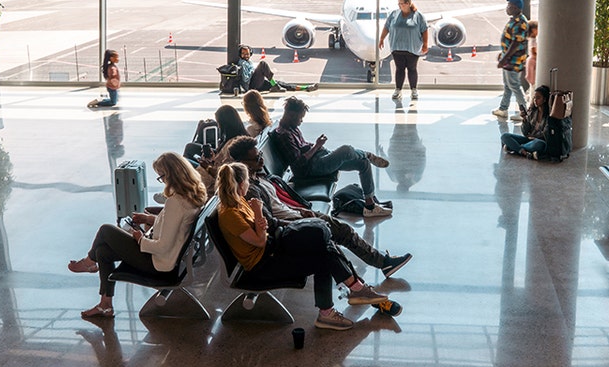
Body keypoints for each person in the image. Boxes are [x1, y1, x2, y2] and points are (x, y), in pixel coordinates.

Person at [215, 162, 388, 331]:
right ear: (239, 185)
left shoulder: (239, 202)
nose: (248, 184)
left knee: (322, 242)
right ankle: (352, 291)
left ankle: (347, 296)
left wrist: (260, 216)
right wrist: (259, 211)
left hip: (272, 248)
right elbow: (260, 240)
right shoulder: (231, 214)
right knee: (322, 251)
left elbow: (262, 231)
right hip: (262, 264)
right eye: (246, 181)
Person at [227, 136, 413, 277]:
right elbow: (269, 221)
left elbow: (278, 203)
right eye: (256, 158)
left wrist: (301, 210)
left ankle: (369, 271)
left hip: (296, 213)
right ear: (242, 163)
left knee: (339, 233)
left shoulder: (259, 176)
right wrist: (301, 218)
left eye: (260, 155)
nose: (261, 159)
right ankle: (379, 265)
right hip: (291, 223)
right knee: (342, 232)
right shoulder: (249, 190)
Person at [70, 152, 207, 318]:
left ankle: (88, 262)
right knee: (103, 252)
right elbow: (175, 226)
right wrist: (148, 218)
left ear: (170, 175)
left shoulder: (175, 201)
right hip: (174, 259)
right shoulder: (192, 193)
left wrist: (140, 239)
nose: (162, 180)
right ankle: (105, 305)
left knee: (106, 230)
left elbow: (163, 246)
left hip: (160, 264)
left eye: (161, 176)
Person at [269, 96, 393, 217]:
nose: (301, 121)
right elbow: (298, 163)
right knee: (346, 150)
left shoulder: (291, 128)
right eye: (300, 118)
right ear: (291, 115)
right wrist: (317, 146)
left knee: (363, 163)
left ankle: (370, 205)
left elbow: (302, 147)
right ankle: (368, 154)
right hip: (312, 168)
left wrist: (316, 146)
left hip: (319, 160)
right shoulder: (284, 135)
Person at [378, 0, 429, 101]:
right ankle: (398, 90)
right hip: (397, 47)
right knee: (399, 69)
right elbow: (387, 27)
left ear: (408, 4)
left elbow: (424, 30)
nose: (399, 6)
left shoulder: (418, 16)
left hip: (412, 48)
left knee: (412, 69)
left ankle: (414, 90)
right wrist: (381, 38)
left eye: (401, 3)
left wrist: (425, 44)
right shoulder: (394, 14)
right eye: (398, 3)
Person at [492, 0, 534, 122]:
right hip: (509, 61)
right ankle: (503, 109)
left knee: (514, 86)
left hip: (513, 61)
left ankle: (524, 113)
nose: (507, 8)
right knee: (507, 86)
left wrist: (504, 59)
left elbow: (515, 44)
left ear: (516, 8)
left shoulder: (520, 23)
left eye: (509, 6)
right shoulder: (515, 20)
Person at [236, 45, 316, 93]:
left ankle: (305, 87)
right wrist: (255, 70)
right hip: (252, 86)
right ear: (240, 54)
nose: (246, 55)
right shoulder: (242, 63)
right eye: (243, 54)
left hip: (258, 83)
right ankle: (275, 85)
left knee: (282, 84)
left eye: (247, 54)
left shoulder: (248, 62)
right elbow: (246, 79)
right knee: (262, 64)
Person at [501, 85, 550, 159]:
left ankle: (515, 148)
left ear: (544, 99)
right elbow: (525, 132)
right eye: (534, 97)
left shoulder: (548, 115)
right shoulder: (533, 112)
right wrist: (524, 119)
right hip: (528, 140)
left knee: (539, 144)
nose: (535, 100)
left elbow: (546, 134)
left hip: (538, 140)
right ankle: (525, 152)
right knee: (505, 136)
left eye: (538, 98)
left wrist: (534, 137)